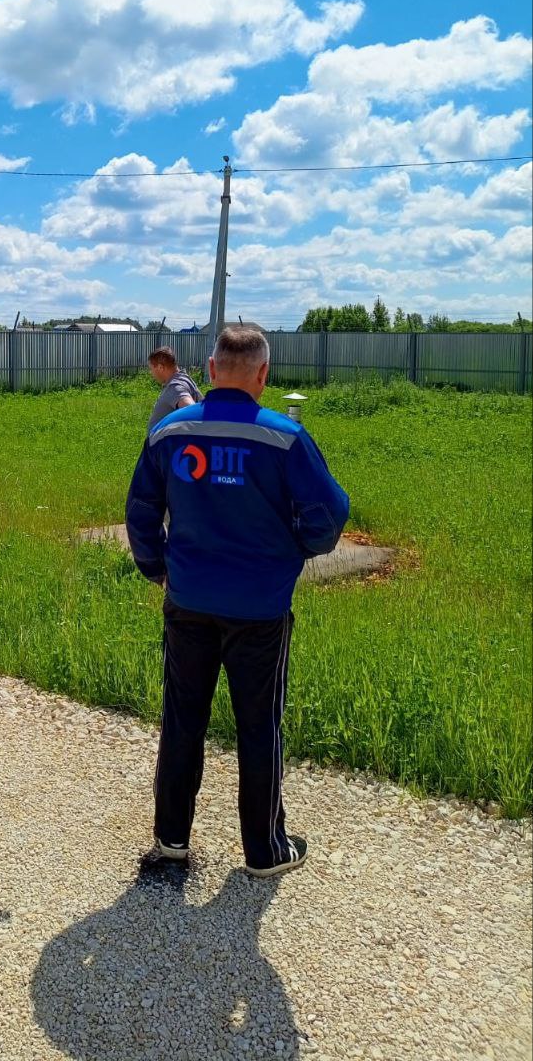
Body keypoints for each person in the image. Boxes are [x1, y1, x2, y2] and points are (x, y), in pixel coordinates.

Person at [125, 326, 349, 877]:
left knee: (183, 719)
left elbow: (141, 508)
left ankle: (171, 843)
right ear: (264, 375)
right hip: (259, 607)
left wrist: (157, 567)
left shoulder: (169, 431)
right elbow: (329, 513)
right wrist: (294, 550)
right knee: (258, 724)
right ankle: (265, 850)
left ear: (210, 369)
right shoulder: (285, 437)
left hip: (188, 600)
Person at [146, 346, 203, 433]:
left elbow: (192, 409)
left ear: (160, 367)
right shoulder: (184, 377)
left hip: (167, 444)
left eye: (151, 369)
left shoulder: (175, 387)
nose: (151, 373)